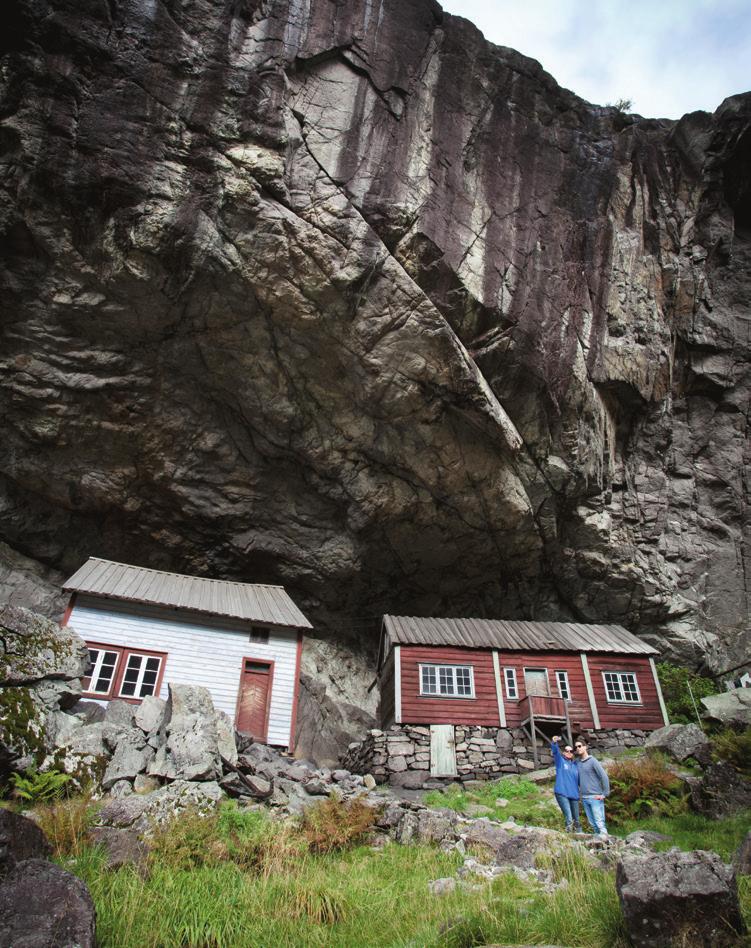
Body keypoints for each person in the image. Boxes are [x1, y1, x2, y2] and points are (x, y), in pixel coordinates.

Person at [574, 736, 610, 837]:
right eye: (576, 747)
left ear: (585, 747)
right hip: (584, 797)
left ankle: (607, 843)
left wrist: (605, 794)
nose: (578, 748)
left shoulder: (593, 761)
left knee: (599, 823)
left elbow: (604, 776)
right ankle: (598, 846)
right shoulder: (577, 762)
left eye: (580, 746)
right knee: (593, 824)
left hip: (595, 796)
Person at [550, 735, 581, 832]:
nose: (569, 752)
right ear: (563, 752)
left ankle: (580, 837)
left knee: (577, 819)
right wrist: (554, 743)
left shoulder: (576, 765)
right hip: (562, 792)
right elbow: (555, 753)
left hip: (574, 794)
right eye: (567, 751)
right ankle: (569, 838)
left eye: (571, 751)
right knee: (569, 817)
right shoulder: (560, 762)